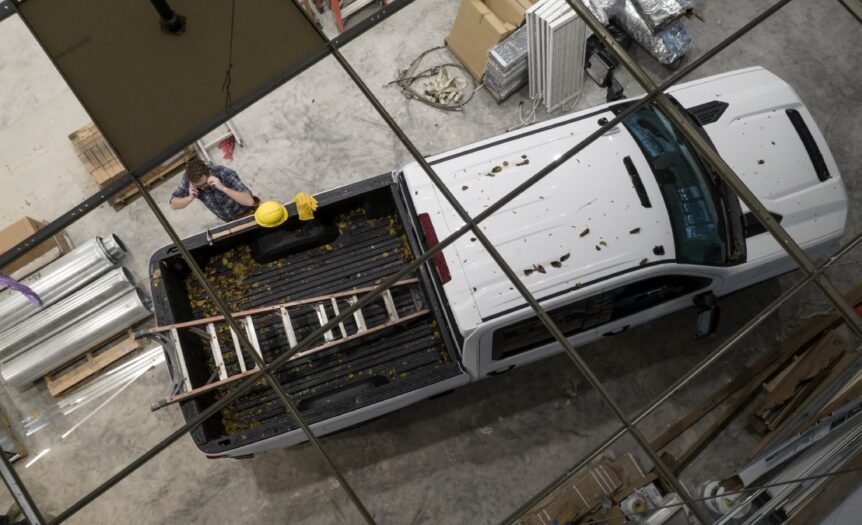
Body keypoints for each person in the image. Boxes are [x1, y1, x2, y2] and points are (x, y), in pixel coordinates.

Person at [170, 158, 258, 221]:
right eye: (198, 186)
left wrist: (223, 188)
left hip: (248, 211)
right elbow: (173, 204)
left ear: (210, 173)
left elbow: (250, 201)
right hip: (228, 220)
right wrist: (189, 198)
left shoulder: (224, 172)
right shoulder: (189, 180)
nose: (202, 188)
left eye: (204, 184)